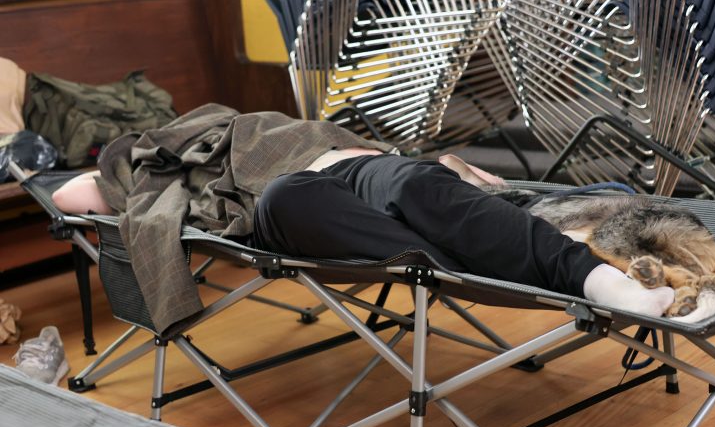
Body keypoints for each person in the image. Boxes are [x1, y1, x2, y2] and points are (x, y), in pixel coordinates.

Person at [52, 118, 674, 318]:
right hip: (294, 204)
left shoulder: (240, 119)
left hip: (363, 168)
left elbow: (340, 144)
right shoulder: (146, 167)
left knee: (412, 179)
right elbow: (68, 198)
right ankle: (499, 262)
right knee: (291, 194)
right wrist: (137, 166)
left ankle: (601, 281)